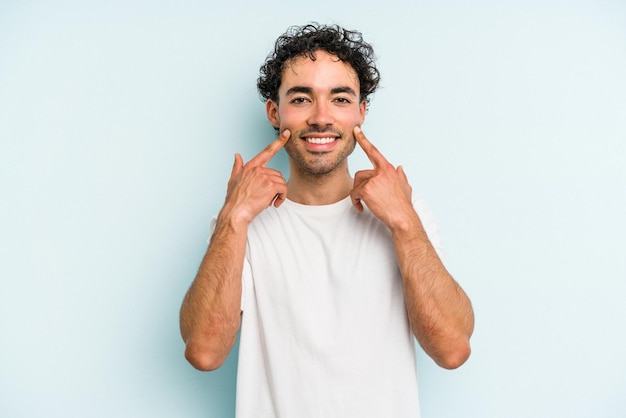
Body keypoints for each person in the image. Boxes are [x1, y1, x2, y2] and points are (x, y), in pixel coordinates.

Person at [180, 23, 474, 418]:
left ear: (361, 112)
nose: (321, 118)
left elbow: (453, 350)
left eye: (339, 98)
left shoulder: (407, 213)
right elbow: (204, 352)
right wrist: (234, 217)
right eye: (301, 99)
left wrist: (404, 222)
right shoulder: (241, 220)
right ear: (274, 111)